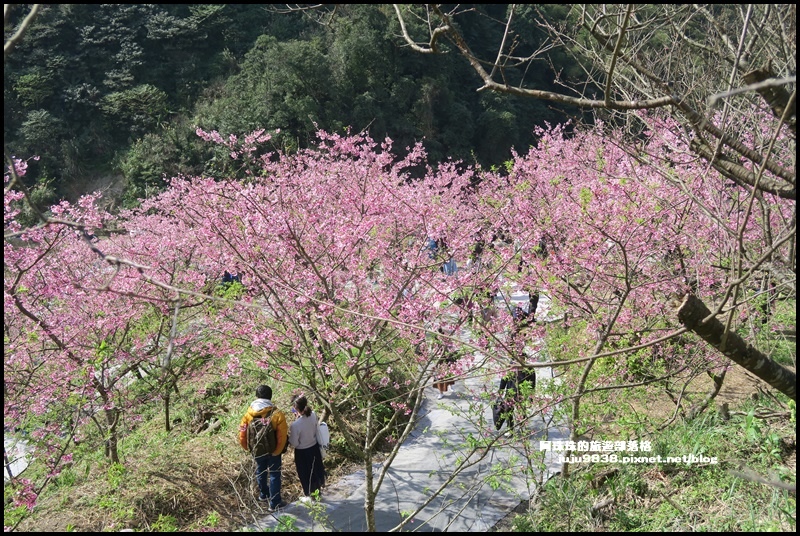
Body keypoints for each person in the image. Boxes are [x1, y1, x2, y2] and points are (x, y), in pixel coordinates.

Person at [238, 385, 289, 510]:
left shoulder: (248, 415)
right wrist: (277, 451)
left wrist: (248, 448)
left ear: (256, 396)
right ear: (270, 396)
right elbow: (282, 435)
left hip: (256, 450)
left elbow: (242, 434)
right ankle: (275, 502)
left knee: (260, 470)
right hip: (273, 451)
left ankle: (263, 494)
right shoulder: (277, 414)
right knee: (274, 474)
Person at [288, 395, 326, 502]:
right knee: (315, 471)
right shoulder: (313, 415)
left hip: (302, 452)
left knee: (305, 474)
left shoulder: (295, 425)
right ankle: (317, 492)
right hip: (314, 448)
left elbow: (294, 443)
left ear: (295, 408)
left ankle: (309, 495)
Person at [494, 364, 536, 435]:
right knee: (508, 410)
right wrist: (500, 391)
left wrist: (531, 397)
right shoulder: (510, 367)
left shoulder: (529, 369)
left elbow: (532, 383)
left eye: (522, 358)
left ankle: (522, 427)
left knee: (521, 411)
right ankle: (510, 428)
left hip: (522, 394)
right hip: (510, 392)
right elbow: (503, 380)